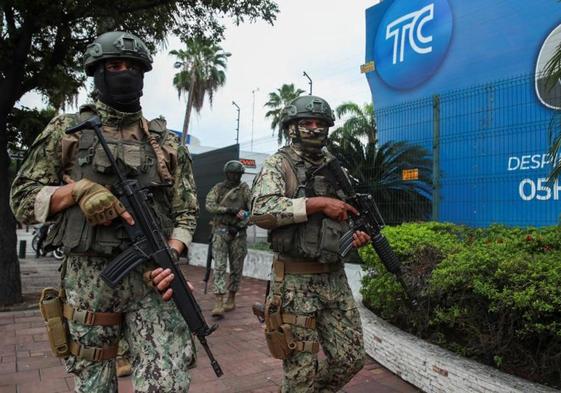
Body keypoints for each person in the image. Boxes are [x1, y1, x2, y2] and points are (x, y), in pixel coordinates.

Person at [10, 31, 198, 393]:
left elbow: (186, 213)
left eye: (132, 67)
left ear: (143, 76)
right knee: (94, 385)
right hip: (88, 282)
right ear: (96, 73)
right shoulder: (65, 131)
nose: (124, 73)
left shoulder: (166, 143)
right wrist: (76, 191)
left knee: (169, 382)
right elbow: (21, 197)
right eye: (114, 66)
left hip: (153, 281)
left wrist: (172, 254)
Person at [250, 95, 370, 392]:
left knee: (350, 358)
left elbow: (344, 215)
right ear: (292, 127)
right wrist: (317, 204)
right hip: (293, 282)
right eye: (306, 123)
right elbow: (261, 211)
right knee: (300, 373)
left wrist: (355, 235)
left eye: (320, 124)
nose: (314, 129)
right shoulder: (279, 165)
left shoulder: (335, 168)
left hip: (334, 278)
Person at [205, 160, 251, 318]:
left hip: (238, 233)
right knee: (219, 266)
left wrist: (240, 225)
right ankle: (219, 301)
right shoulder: (218, 188)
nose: (233, 176)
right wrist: (228, 210)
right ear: (226, 174)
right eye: (231, 173)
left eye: (236, 174)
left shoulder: (245, 190)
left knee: (236, 267)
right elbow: (210, 205)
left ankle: (231, 298)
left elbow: (253, 211)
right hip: (221, 231)